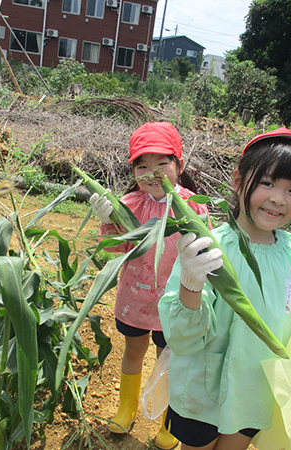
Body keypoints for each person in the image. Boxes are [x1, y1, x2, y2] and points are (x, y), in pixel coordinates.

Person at [157, 127, 291, 450]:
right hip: (204, 387)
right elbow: (182, 337)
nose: (278, 199)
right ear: (238, 180)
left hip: (257, 388)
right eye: (267, 183)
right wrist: (191, 283)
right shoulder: (209, 248)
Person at [89, 121, 212, 450]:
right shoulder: (129, 203)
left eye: (162, 164)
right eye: (142, 166)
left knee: (167, 360)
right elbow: (114, 248)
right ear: (132, 170)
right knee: (132, 352)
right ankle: (127, 408)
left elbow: (208, 253)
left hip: (174, 305)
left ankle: (168, 423)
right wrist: (108, 219)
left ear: (179, 166)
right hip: (135, 299)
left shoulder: (193, 206)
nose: (152, 173)